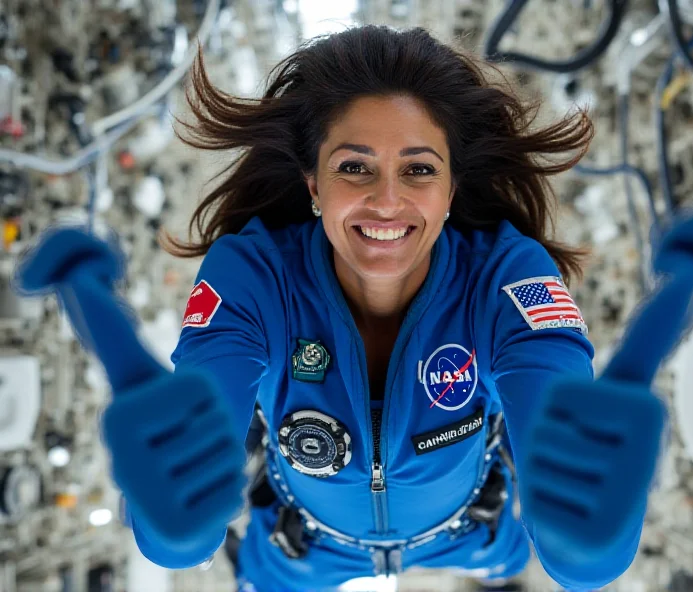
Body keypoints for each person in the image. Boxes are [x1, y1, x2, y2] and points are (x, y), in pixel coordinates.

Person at [128, 25, 644, 592]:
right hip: (305, 546)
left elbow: (586, 559)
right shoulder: (254, 277)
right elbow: (174, 537)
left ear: (450, 191)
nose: (387, 201)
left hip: (468, 532)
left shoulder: (507, 279)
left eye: (419, 170)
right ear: (313, 185)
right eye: (354, 167)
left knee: (530, 563)